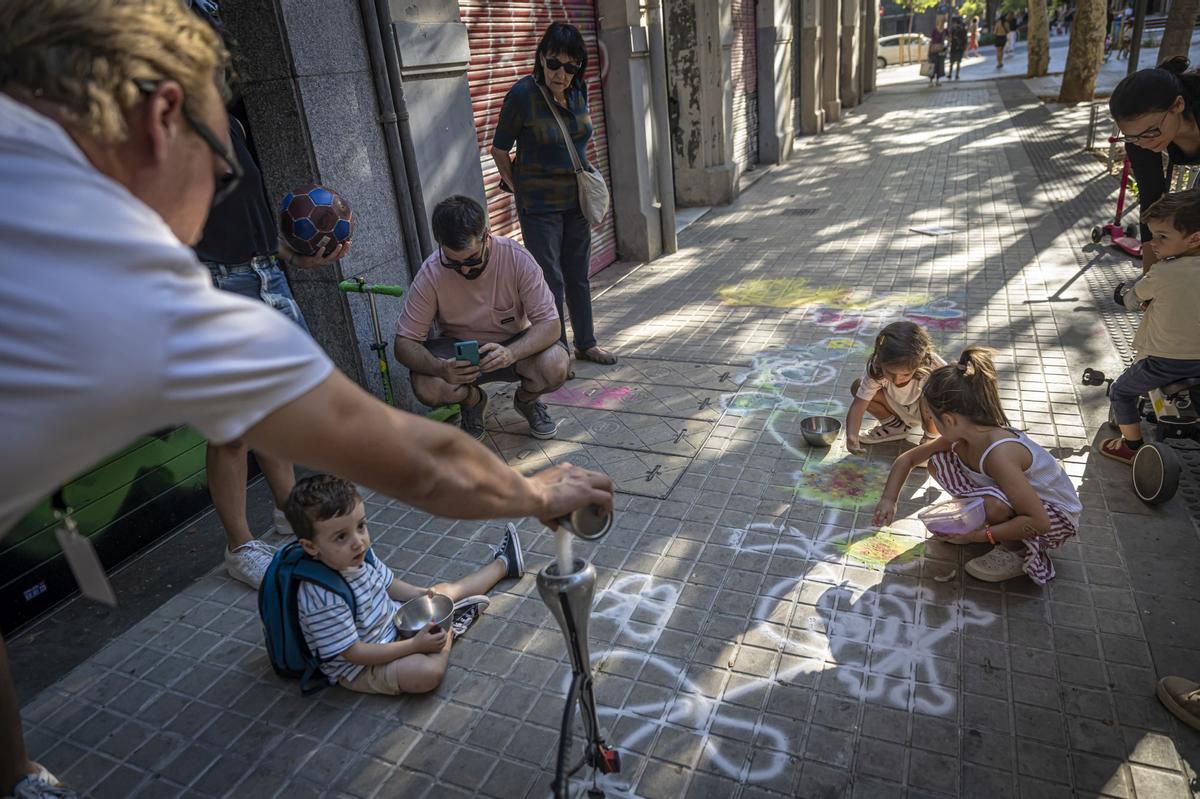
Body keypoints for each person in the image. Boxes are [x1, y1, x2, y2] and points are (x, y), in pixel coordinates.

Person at [0, 2, 613, 796]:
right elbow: (409, 458)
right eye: (226, 173)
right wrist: (533, 491)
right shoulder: (140, 287)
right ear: (163, 120)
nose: (219, 203)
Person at [287, 474, 517, 695]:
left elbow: (389, 585)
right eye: (341, 537)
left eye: (361, 526)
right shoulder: (322, 596)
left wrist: (421, 593)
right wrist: (414, 646)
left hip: (393, 622)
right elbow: (355, 653)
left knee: (442, 592)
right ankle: (449, 628)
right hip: (362, 666)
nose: (358, 542)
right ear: (310, 546)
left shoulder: (358, 555)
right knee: (427, 674)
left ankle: (504, 564)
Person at [872, 348, 1082, 584]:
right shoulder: (963, 435)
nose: (932, 424)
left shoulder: (999, 454)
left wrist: (983, 535)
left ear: (949, 419)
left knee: (991, 506)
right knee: (939, 462)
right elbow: (907, 459)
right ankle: (988, 523)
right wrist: (889, 499)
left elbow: (1039, 521)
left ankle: (1018, 554)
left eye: (932, 418)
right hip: (1025, 507)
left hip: (1054, 518)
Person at [491, 22, 617, 368]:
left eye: (570, 66)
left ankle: (586, 343)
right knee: (551, 280)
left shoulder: (579, 91)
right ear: (541, 59)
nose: (561, 73)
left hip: (574, 200)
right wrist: (517, 185)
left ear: (579, 67)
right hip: (539, 205)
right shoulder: (522, 96)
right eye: (554, 63)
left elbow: (578, 141)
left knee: (578, 273)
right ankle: (558, 350)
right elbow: (499, 149)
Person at [393, 195, 570, 440]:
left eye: (472, 260)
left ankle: (528, 401)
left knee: (556, 365)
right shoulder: (431, 272)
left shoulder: (516, 258)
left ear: (486, 236)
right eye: (453, 263)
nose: (465, 270)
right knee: (426, 385)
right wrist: (441, 368)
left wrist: (512, 353)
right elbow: (403, 345)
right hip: (458, 353)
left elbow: (551, 325)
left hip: (513, 347)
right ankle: (473, 402)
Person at [1099, 190, 1200, 464]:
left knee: (1122, 390)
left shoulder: (1163, 271)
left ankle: (1130, 447)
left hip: (1164, 362)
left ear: (1195, 238)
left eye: (1162, 237)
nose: (1152, 243)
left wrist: (1123, 294)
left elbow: (1133, 300)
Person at [1109, 59, 1200, 274]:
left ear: (1178, 105)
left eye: (1151, 131)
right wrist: (1149, 282)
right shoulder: (1140, 141)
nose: (1144, 142)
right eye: (1132, 137)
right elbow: (1152, 203)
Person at [845, 321, 944, 451]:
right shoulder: (877, 369)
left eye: (906, 374)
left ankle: (930, 443)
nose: (897, 380)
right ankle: (895, 427)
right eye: (890, 373)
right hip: (898, 408)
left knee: (933, 395)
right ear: (880, 361)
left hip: (929, 413)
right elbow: (859, 405)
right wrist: (851, 436)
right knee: (858, 387)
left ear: (919, 364)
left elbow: (951, 398)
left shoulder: (933, 365)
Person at [928, 19, 947, 86]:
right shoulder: (935, 30)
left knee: (940, 66)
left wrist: (945, 47)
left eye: (943, 23)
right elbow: (932, 40)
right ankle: (930, 81)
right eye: (942, 23)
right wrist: (929, 51)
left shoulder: (944, 31)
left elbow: (947, 38)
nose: (942, 24)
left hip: (940, 50)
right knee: (933, 66)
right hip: (934, 50)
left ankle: (937, 80)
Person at [948, 16, 968, 81]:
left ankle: (951, 74)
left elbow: (950, 38)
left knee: (952, 62)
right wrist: (964, 48)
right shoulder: (963, 30)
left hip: (955, 47)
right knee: (957, 62)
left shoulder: (954, 30)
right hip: (959, 48)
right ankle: (956, 74)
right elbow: (965, 40)